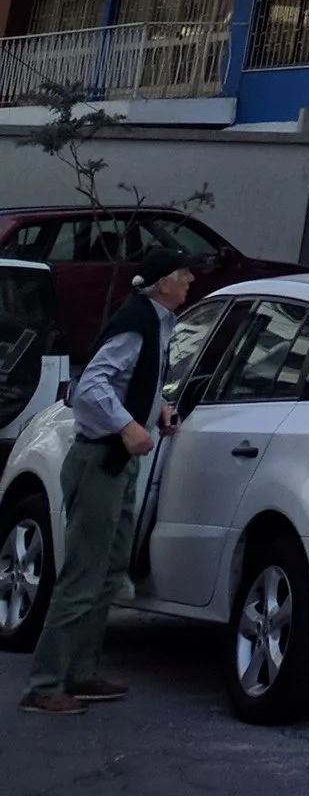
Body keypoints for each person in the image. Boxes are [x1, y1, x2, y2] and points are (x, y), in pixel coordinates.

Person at [20, 237, 199, 717]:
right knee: (83, 573)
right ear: (164, 284)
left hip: (116, 462)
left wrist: (156, 408)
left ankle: (80, 673)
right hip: (99, 458)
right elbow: (92, 385)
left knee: (109, 569)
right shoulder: (137, 325)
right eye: (184, 276)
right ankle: (44, 684)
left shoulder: (156, 323)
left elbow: (127, 380)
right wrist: (127, 425)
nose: (190, 282)